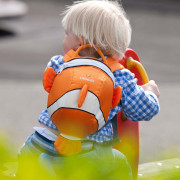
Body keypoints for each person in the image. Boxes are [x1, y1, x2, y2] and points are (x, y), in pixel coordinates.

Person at [18, 0, 160, 179]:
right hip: (88, 152)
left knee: (25, 155)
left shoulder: (59, 63)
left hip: (41, 141)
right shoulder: (120, 76)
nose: (63, 39)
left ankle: (42, 166)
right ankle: (58, 166)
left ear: (79, 41)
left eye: (66, 34)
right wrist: (150, 92)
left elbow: (48, 82)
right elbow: (142, 110)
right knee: (121, 163)